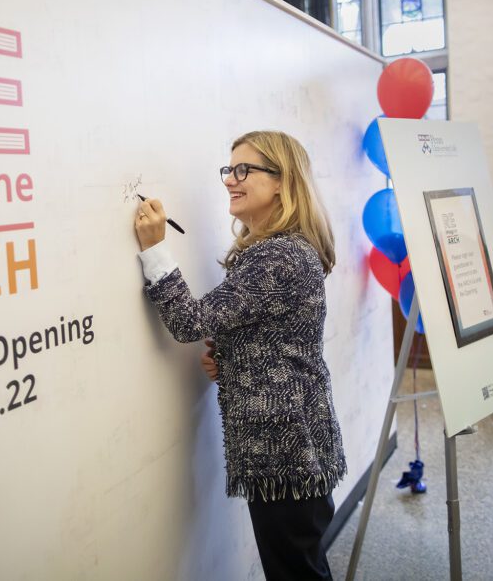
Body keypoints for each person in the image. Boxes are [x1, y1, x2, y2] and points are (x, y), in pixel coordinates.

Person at [133, 130, 346, 581]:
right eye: (229, 169)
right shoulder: (284, 251)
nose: (231, 179)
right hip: (298, 446)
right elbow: (281, 342)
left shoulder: (278, 256)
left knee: (295, 573)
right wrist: (232, 360)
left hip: (286, 452)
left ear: (282, 183)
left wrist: (154, 248)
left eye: (244, 169)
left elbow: (190, 322)